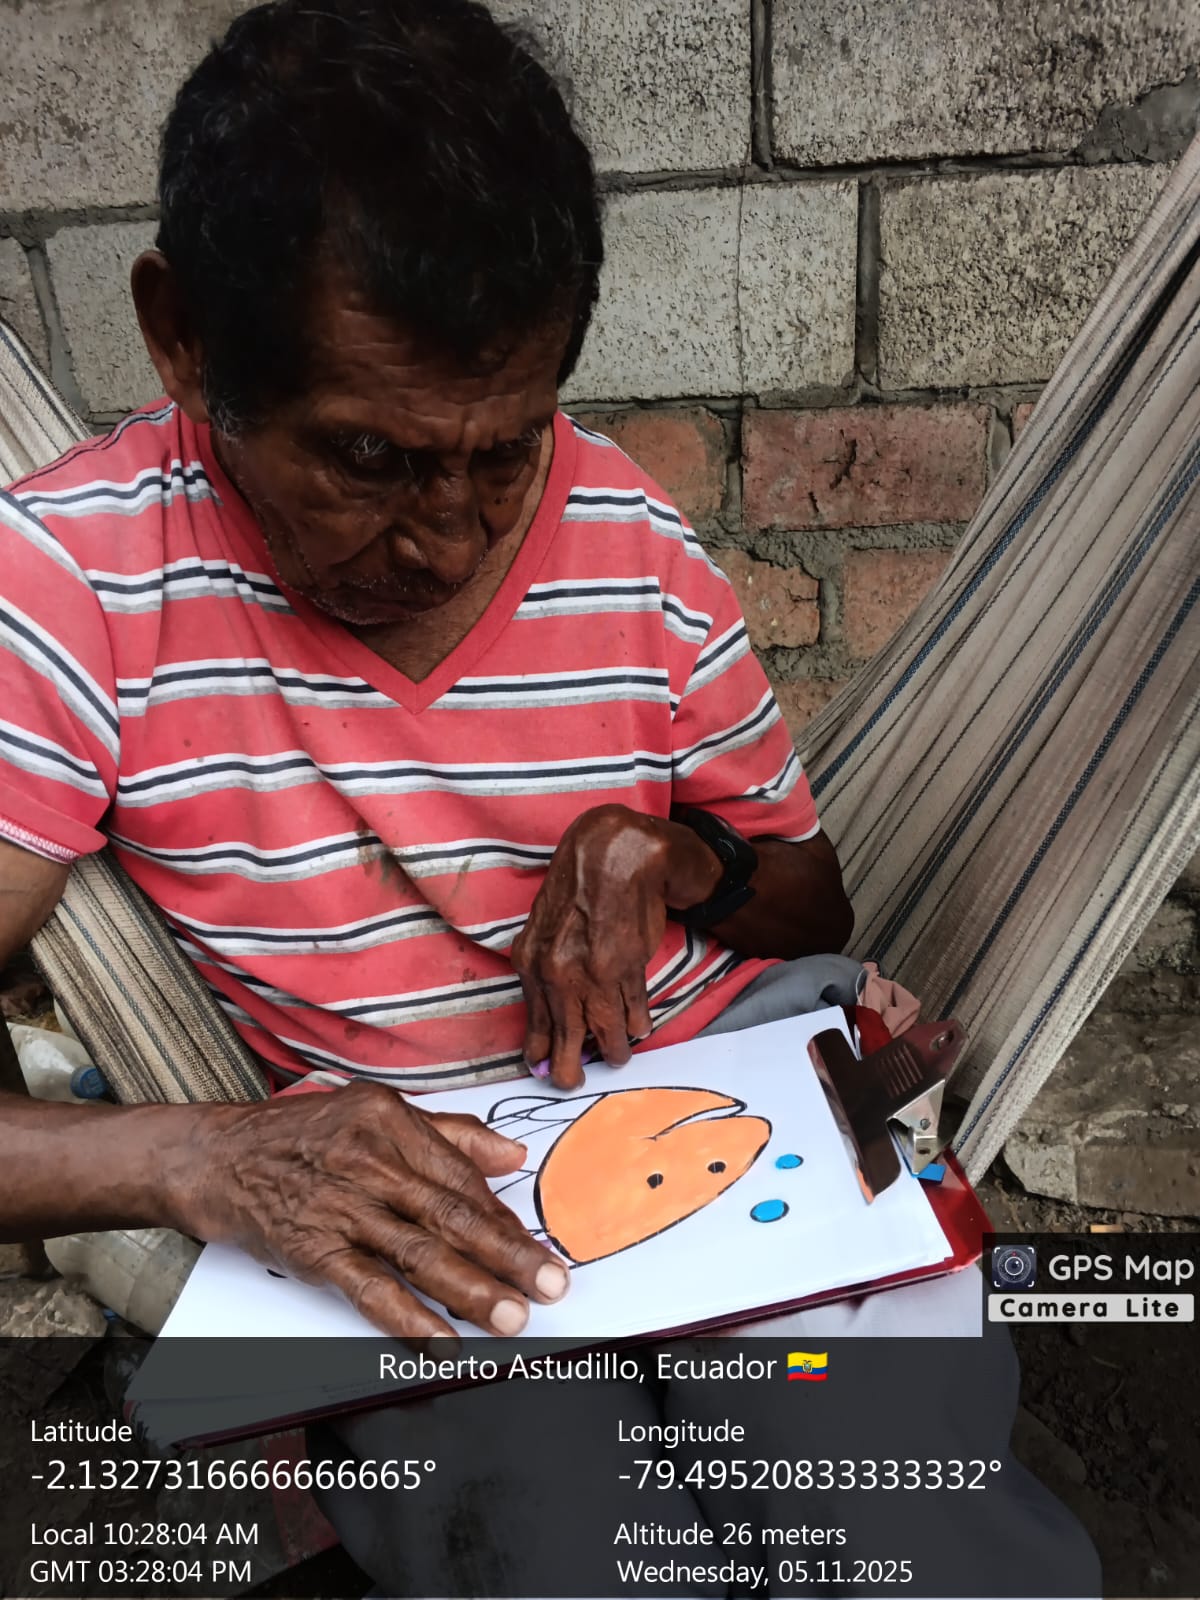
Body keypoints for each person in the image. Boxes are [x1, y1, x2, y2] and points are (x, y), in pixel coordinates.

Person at [0, 4, 1099, 1594]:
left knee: (880, 1509)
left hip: (742, 1098)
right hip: (417, 1190)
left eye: (504, 453)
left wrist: (672, 854)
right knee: (557, 1544)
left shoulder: (632, 546)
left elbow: (811, 898)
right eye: (368, 458)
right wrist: (197, 1158)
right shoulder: (74, 586)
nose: (448, 538)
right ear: (182, 338)